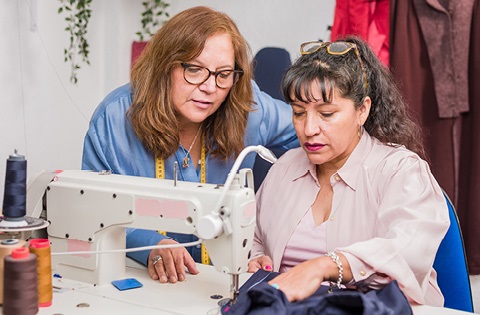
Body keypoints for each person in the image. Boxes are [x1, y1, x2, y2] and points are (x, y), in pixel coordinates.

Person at [82, 6, 298, 285]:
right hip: (142, 280)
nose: (210, 87)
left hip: (222, 278)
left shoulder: (248, 108)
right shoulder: (113, 120)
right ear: (164, 66)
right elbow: (92, 207)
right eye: (194, 70)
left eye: (223, 74)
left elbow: (313, 136)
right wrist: (150, 244)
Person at [247, 36, 450, 307]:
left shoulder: (401, 171)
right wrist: (255, 257)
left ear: (362, 110)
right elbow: (254, 238)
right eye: (298, 113)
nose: (308, 129)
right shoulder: (285, 168)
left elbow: (408, 251)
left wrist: (326, 266)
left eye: (327, 114)